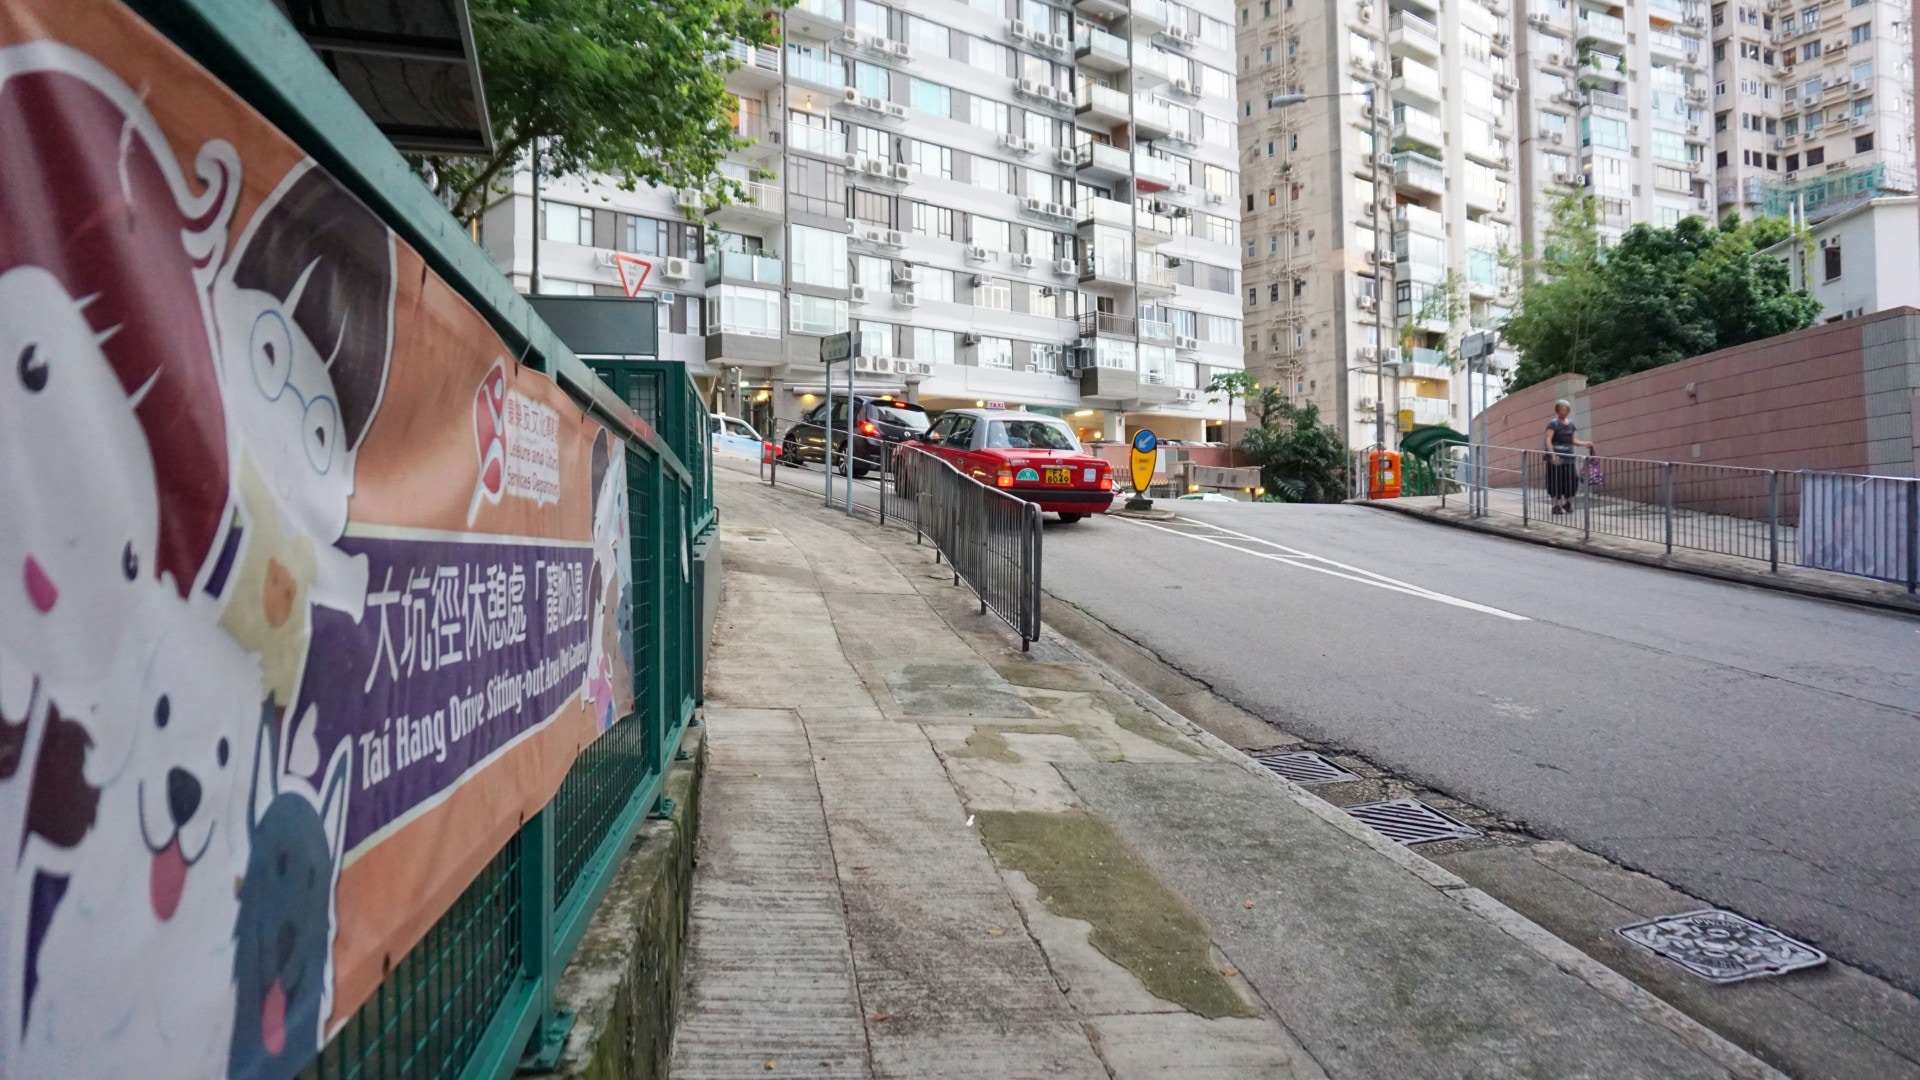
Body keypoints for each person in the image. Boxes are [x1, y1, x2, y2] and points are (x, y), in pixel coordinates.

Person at [1544, 399, 1592, 514]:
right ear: (1557, 410)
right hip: (1556, 457)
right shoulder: (1553, 424)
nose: (1564, 412)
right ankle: (1555, 505)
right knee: (1556, 480)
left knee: (1572, 479)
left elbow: (1573, 440)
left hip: (1569, 457)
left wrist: (1585, 443)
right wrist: (1552, 454)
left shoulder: (1571, 424)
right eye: (1562, 409)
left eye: (1566, 409)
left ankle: (1567, 503)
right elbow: (1548, 440)